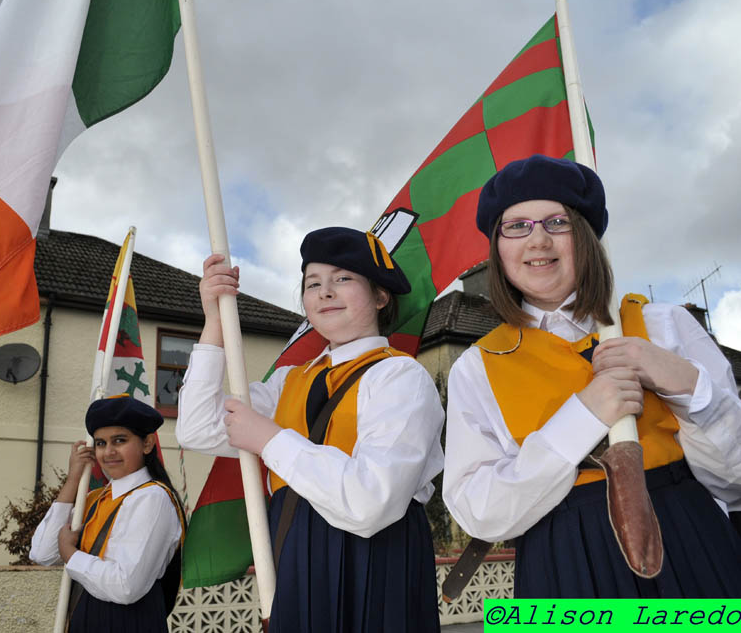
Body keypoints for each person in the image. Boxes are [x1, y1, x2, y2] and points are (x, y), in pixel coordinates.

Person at [442, 154, 741, 597]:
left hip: (688, 541)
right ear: (498, 250)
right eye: (517, 225)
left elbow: (732, 482)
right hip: (558, 561)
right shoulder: (477, 365)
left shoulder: (664, 324)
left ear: (585, 236)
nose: (537, 240)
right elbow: (479, 513)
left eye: (557, 222)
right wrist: (582, 417)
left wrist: (690, 387)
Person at [176, 227, 445, 632]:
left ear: (380, 295)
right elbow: (197, 427)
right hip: (295, 546)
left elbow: (371, 502)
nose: (325, 292)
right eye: (313, 283)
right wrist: (214, 321)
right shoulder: (289, 382)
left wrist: (269, 439)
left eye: (343, 278)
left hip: (375, 555)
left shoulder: (400, 376)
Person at [30, 395, 186, 632]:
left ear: (147, 444)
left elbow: (126, 587)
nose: (108, 451)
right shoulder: (95, 499)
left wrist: (71, 554)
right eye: (101, 443)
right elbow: (42, 552)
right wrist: (73, 478)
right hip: (88, 617)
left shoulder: (153, 497)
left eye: (119, 440)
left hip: (130, 622)